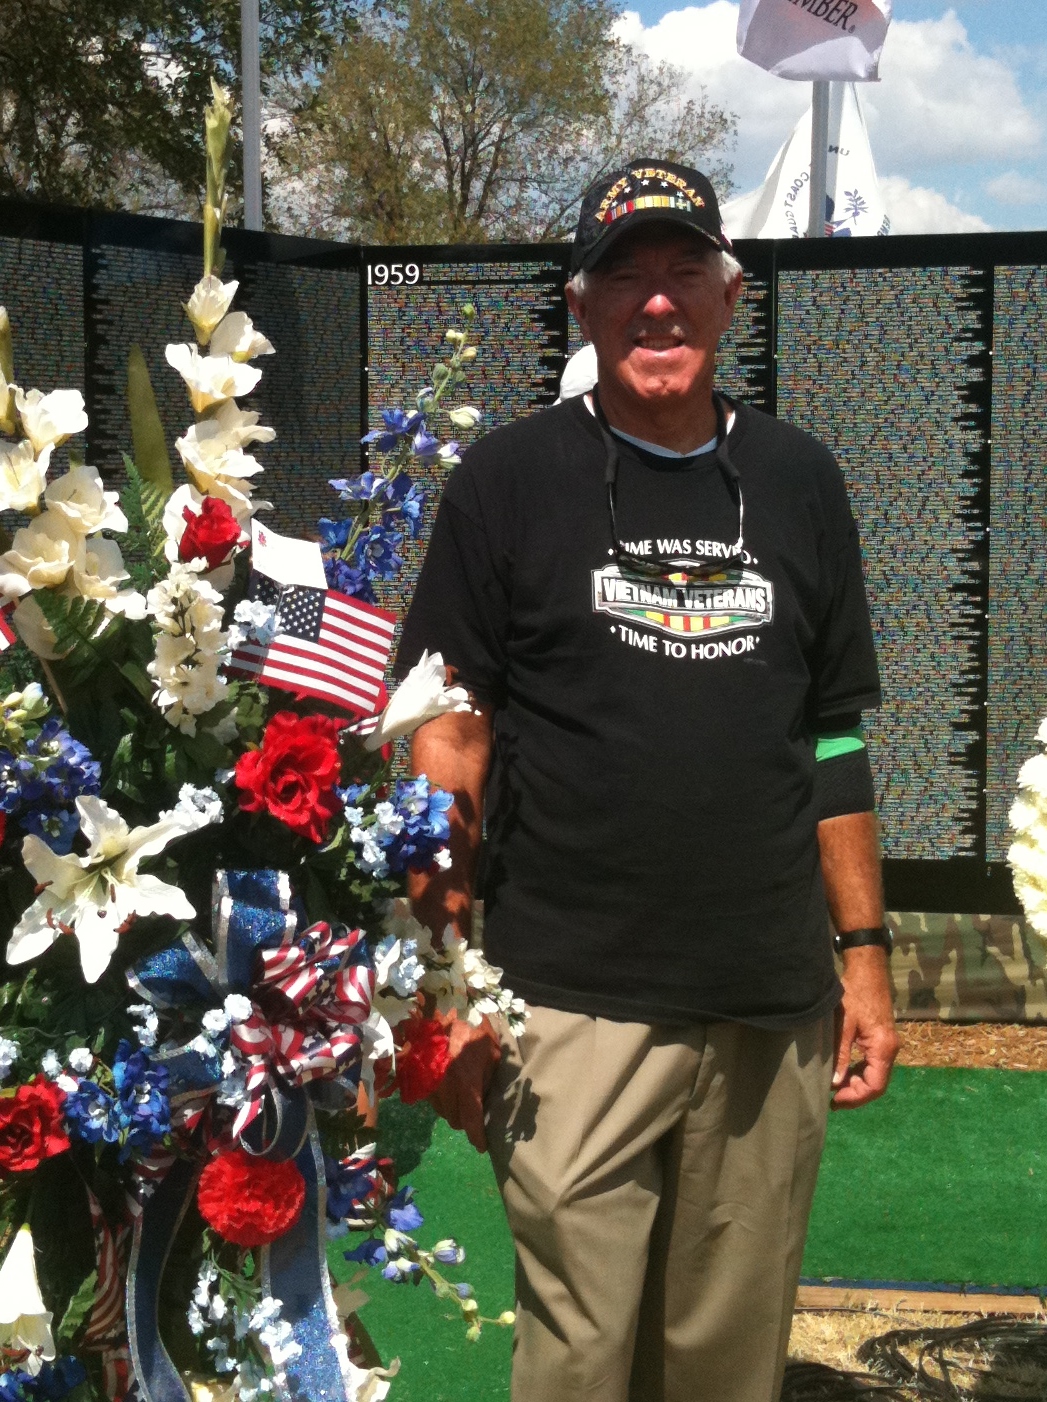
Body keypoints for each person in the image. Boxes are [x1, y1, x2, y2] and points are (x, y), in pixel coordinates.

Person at [396, 158, 899, 1402]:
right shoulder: (509, 482)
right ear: (583, 306)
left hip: (765, 1000)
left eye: (685, 273)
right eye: (627, 276)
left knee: (726, 1366)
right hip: (571, 1003)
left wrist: (868, 953)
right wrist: (446, 983)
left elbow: (833, 737)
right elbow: (449, 736)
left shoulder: (800, 480)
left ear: (732, 300)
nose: (658, 303)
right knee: (577, 1360)